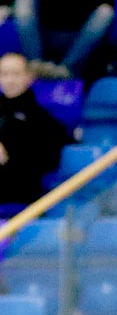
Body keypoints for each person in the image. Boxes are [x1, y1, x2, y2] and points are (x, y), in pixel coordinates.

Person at [0, 52, 71, 216]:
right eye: (4, 74)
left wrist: (9, 157)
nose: (9, 80)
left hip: (19, 194)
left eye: (15, 74)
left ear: (28, 77)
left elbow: (46, 161)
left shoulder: (44, 121)